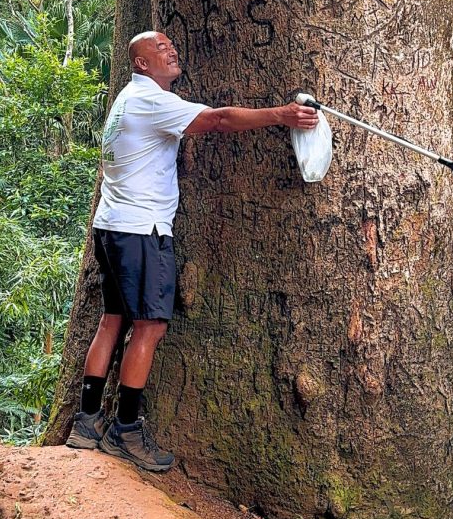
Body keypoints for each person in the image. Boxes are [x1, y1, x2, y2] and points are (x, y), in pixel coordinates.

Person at [66, 30, 318, 471]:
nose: (172, 50)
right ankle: (125, 430)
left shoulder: (126, 98)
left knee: (113, 320)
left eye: (170, 45)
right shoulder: (151, 101)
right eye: (160, 49)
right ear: (142, 64)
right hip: (142, 230)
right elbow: (218, 121)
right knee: (149, 326)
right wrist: (281, 115)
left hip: (112, 226)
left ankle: (86, 422)